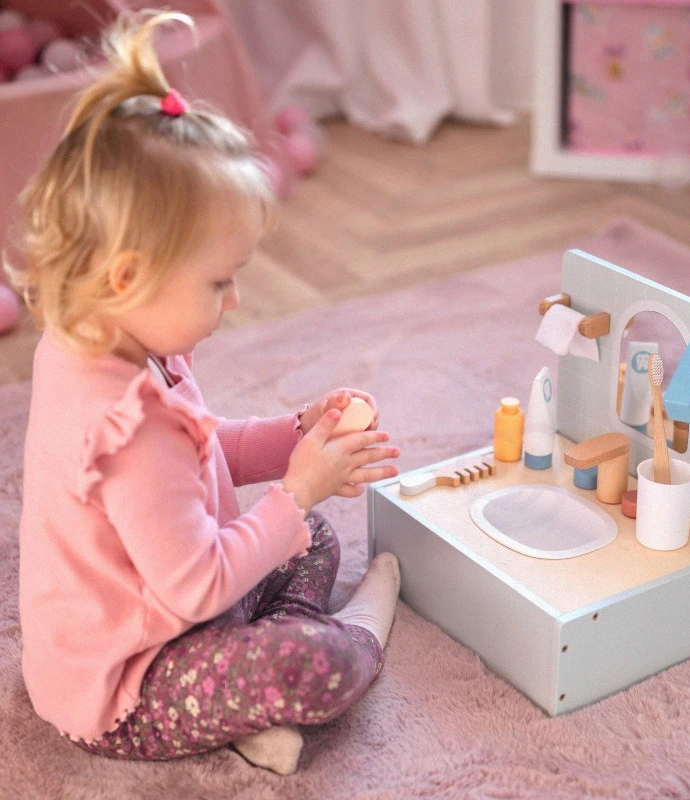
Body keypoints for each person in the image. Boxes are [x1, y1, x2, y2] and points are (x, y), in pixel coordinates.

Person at [4, 10, 401, 776]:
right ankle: (354, 636)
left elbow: (205, 450)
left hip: (179, 605)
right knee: (316, 661)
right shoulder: (125, 426)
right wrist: (294, 490)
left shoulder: (114, 339)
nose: (236, 299)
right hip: (129, 681)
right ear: (129, 276)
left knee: (312, 534)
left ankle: (248, 705)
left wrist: (295, 438)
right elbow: (195, 589)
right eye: (219, 281)